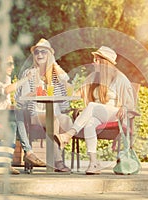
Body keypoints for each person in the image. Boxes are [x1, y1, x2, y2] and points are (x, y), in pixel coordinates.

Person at [54, 46, 135, 175]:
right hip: (98, 114)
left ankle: (68, 135)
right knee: (90, 124)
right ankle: (94, 163)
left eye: (97, 60)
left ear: (105, 62)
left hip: (115, 115)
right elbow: (77, 94)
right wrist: (63, 81)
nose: (93, 62)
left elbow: (130, 103)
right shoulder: (94, 77)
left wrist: (124, 107)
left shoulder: (120, 78)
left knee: (91, 106)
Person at [15, 38, 73, 172]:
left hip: (54, 113)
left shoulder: (55, 75)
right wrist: (33, 92)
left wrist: (57, 68)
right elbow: (20, 100)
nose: (39, 55)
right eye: (36, 52)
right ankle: (58, 161)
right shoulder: (28, 73)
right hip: (34, 113)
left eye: (43, 52)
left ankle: (55, 153)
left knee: (68, 121)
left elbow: (66, 93)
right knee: (53, 120)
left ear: (49, 55)